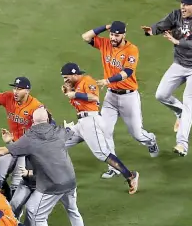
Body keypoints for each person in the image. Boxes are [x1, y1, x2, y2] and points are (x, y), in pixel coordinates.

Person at [81, 21, 159, 178]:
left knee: (137, 134)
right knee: (105, 130)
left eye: (117, 35)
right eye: (112, 34)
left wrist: (108, 80)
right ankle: (114, 167)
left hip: (129, 97)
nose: (113, 38)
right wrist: (104, 27)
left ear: (124, 34)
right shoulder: (105, 43)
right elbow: (85, 37)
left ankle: (150, 141)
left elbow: (127, 72)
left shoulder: (132, 50)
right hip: (111, 96)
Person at [142, 0, 192, 157]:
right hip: (180, 63)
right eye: (181, 4)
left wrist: (177, 42)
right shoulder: (176, 15)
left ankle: (182, 144)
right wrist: (151, 30)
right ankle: (179, 112)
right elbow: (162, 25)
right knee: (161, 94)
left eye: (186, 5)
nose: (182, 7)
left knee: (189, 103)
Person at [59, 62, 141, 192]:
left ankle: (130, 176)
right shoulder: (76, 86)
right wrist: (70, 91)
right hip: (81, 124)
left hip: (91, 121)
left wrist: (75, 94)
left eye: (66, 77)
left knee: (102, 153)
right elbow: (79, 104)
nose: (65, 80)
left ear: (74, 73)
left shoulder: (87, 81)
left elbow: (94, 98)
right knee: (58, 144)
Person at [0, 76, 47, 197]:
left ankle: (14, 211)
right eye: (15, 88)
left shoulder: (36, 106)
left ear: (27, 91)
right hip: (13, 145)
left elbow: (49, 125)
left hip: (28, 150)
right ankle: (1, 202)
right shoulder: (8, 97)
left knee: (17, 183)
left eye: (19, 89)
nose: (15, 92)